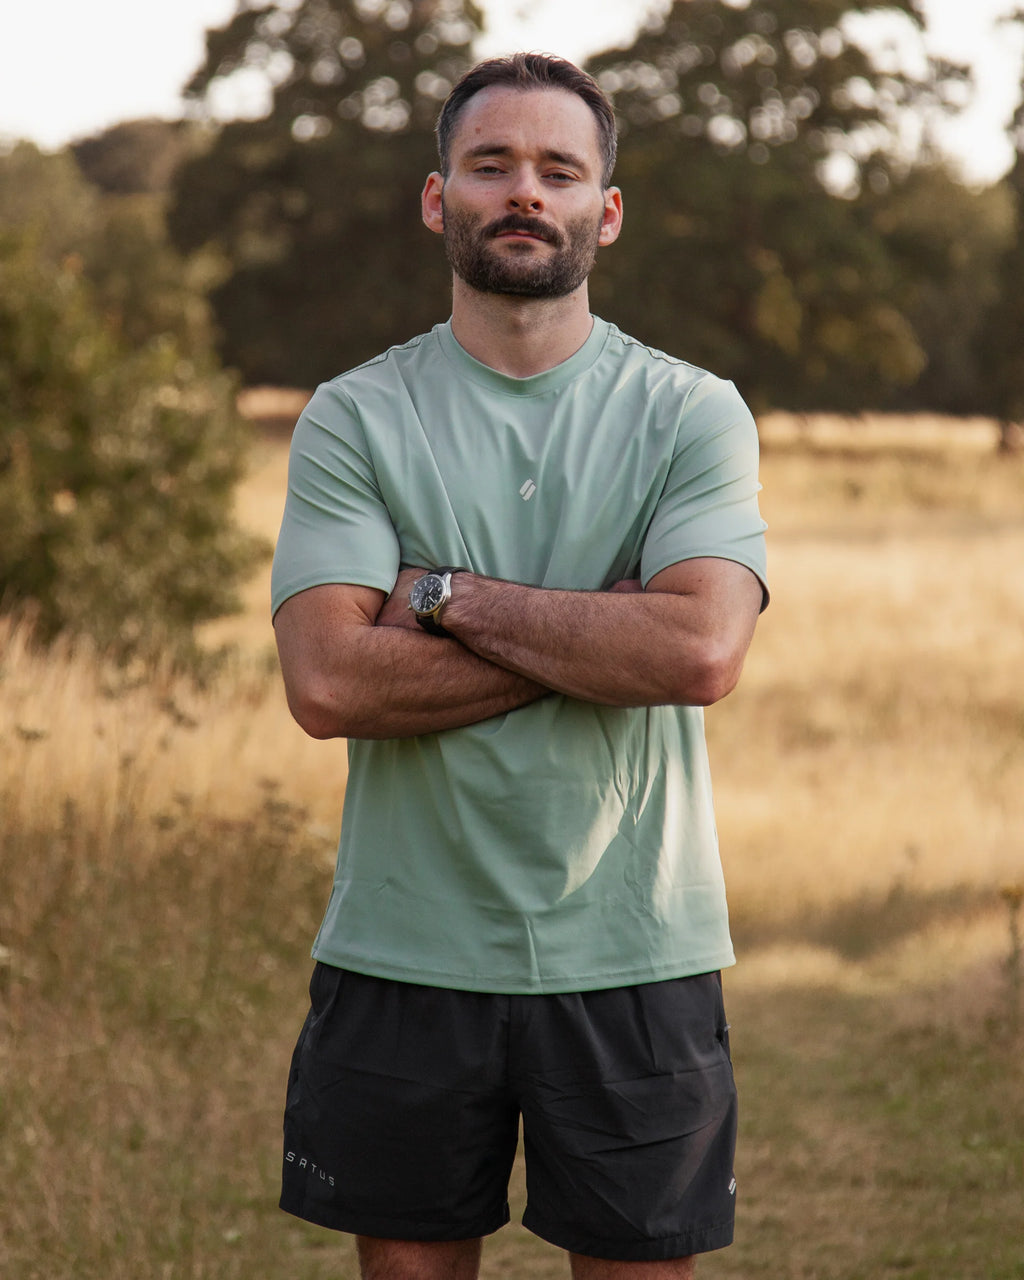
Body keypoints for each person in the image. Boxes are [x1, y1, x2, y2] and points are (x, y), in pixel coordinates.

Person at [271, 51, 769, 1280]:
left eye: (559, 170)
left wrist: (441, 600)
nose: (524, 193)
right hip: (407, 944)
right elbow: (329, 683)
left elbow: (700, 648)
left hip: (635, 944)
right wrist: (599, 635)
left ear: (604, 211)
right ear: (438, 197)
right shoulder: (354, 414)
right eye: (491, 165)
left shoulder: (689, 410)